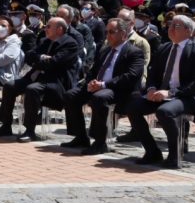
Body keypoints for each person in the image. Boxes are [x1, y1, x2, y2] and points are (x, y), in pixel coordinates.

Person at [124, 15, 195, 168]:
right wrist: (151, 88)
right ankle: (152, 151)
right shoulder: (164, 48)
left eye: (176, 27)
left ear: (188, 31)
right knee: (132, 107)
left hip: (187, 96)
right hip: (161, 93)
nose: (170, 29)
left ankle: (175, 155)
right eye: (170, 25)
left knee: (165, 112)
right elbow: (153, 73)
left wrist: (171, 93)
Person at [62, 18, 145, 155]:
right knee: (71, 95)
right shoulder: (105, 50)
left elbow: (130, 76)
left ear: (123, 34)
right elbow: (94, 71)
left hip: (119, 90)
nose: (108, 35)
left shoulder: (134, 52)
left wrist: (104, 84)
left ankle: (100, 142)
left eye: (112, 32)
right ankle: (80, 136)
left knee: (99, 98)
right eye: (107, 32)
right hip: (98, 85)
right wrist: (90, 82)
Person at [0, 17, 80, 142]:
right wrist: (43, 58)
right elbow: (29, 56)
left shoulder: (70, 44)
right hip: (35, 77)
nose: (45, 28)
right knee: (9, 85)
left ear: (59, 29)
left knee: (32, 89)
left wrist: (40, 61)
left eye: (49, 26)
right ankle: (6, 125)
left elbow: (54, 63)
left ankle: (29, 130)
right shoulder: (45, 41)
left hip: (55, 82)